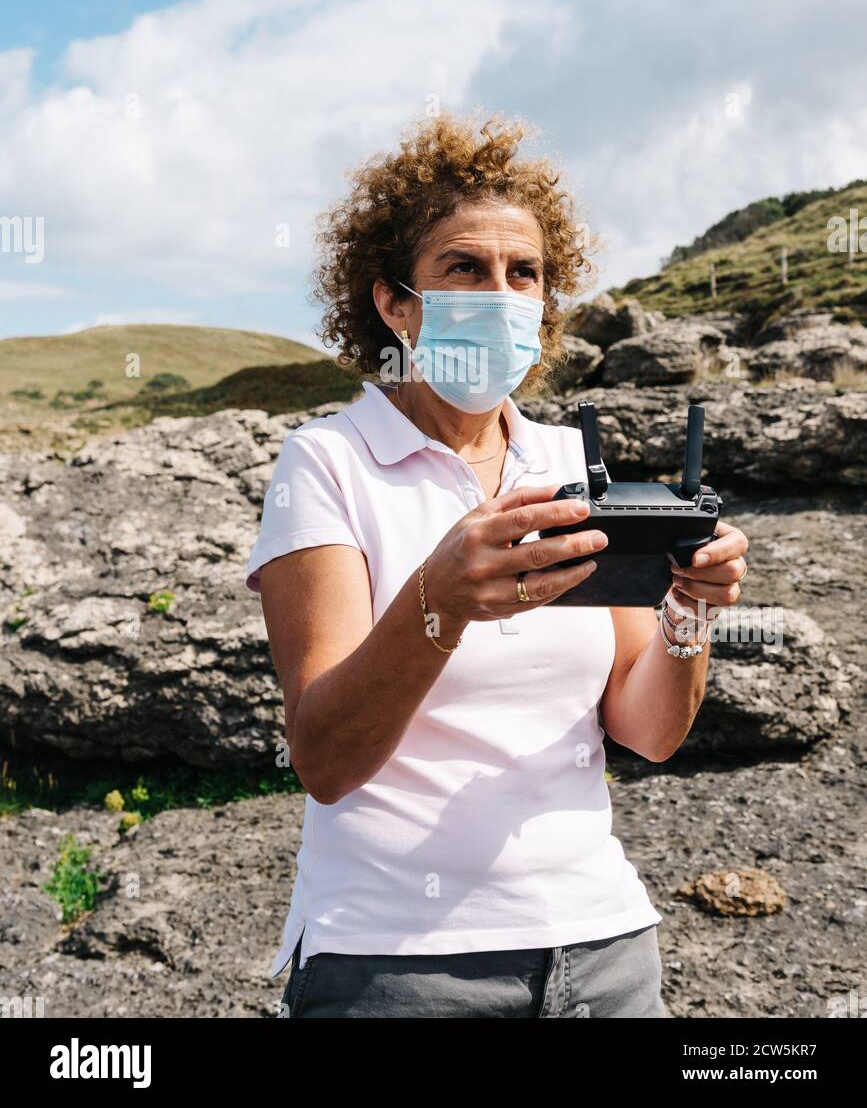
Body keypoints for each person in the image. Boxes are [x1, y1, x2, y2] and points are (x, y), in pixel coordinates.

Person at [245, 112, 749, 1018]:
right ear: (394, 303)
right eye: (464, 269)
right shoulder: (327, 462)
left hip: (603, 951)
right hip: (397, 964)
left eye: (525, 274)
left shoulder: (566, 464)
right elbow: (322, 757)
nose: (502, 293)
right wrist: (438, 600)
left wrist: (687, 608)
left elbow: (647, 730)